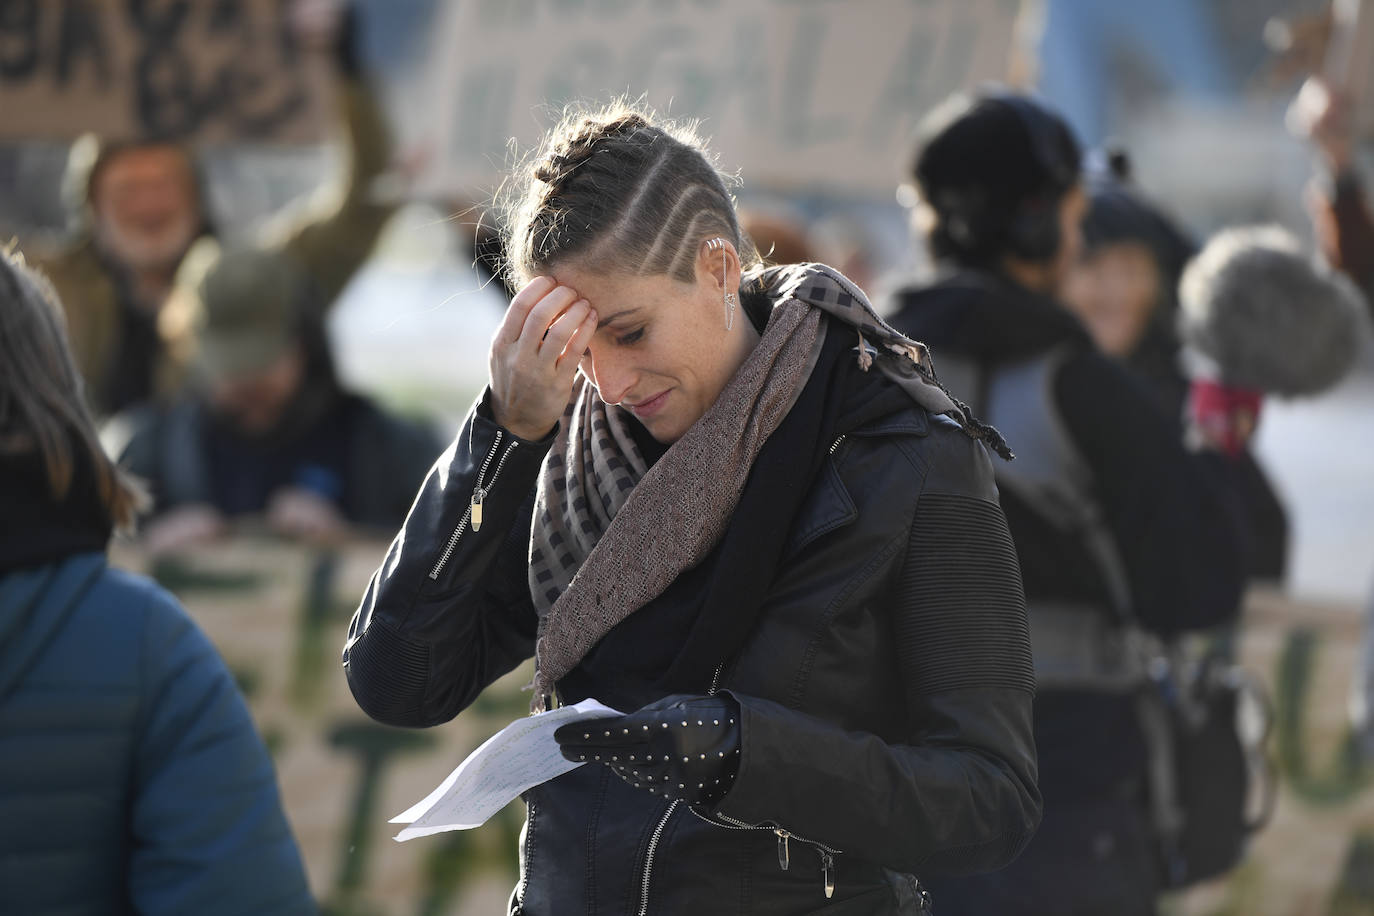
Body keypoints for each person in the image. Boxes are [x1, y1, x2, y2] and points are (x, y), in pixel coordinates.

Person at [342, 102, 1041, 915]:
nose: (608, 382)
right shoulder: (561, 448)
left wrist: (747, 754)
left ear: (718, 269)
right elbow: (398, 682)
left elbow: (992, 799)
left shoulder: (905, 450)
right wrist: (501, 432)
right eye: (575, 346)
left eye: (630, 332)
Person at [885, 90, 1246, 916]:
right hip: (1070, 802)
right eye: (1075, 215)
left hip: (891, 799)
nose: (1081, 239)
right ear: (1039, 224)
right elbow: (1199, 589)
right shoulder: (1088, 388)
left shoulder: (845, 373)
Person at [0, 247, 315, 914]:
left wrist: (359, 541)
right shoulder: (148, 648)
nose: (249, 381)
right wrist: (137, 548)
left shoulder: (374, 438)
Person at [33, 0, 395, 417]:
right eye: (128, 188)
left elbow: (364, 205)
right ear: (93, 205)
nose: (149, 204)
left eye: (163, 183)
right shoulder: (42, 290)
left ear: (196, 194)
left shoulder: (260, 280)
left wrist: (345, 74)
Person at [105, 242, 444, 553]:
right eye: (230, 366)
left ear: (304, 344)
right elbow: (88, 567)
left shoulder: (387, 447)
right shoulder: (145, 451)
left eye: (264, 360)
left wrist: (348, 540)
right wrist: (149, 548)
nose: (248, 379)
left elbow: (447, 555)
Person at [1063, 153, 1289, 582]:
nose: (1116, 293)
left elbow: (1261, 537)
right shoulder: (1028, 390)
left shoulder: (1187, 406)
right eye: (1092, 266)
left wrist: (1220, 466)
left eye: (1131, 269)